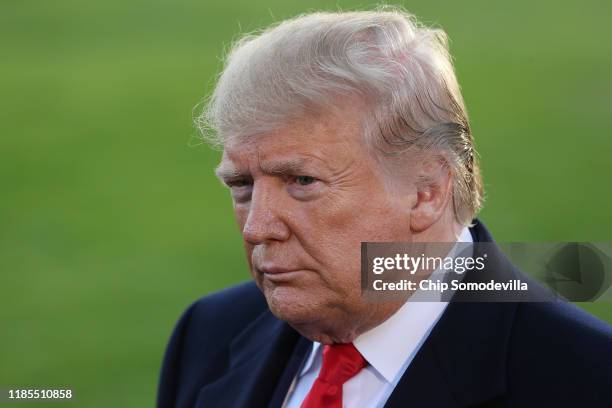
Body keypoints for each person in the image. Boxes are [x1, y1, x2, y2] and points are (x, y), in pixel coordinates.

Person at [157, 9, 612, 408]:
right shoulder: (208, 335)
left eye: (301, 182)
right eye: (242, 185)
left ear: (425, 192)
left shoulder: (587, 379)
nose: (257, 228)